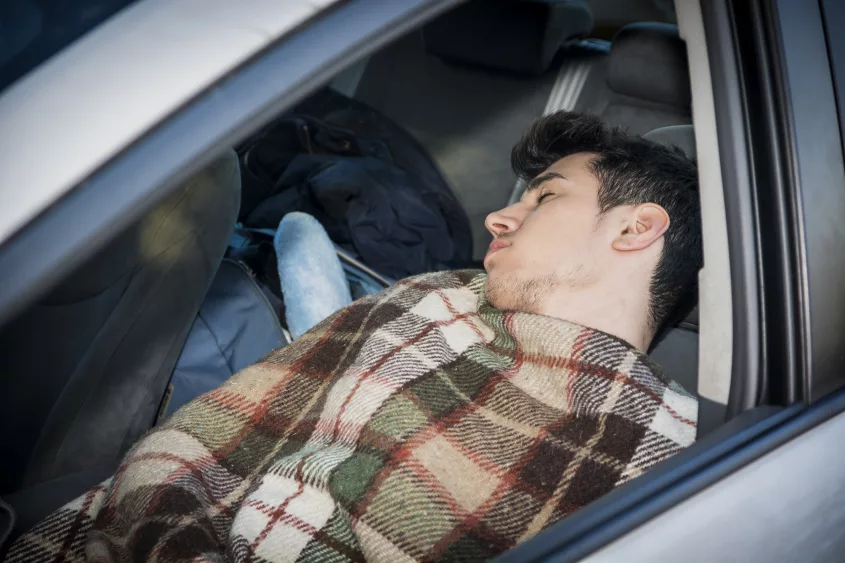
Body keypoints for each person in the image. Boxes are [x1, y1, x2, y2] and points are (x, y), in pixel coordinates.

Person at [6, 112, 702, 563]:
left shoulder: (670, 462)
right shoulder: (430, 297)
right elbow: (214, 436)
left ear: (634, 228)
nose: (497, 216)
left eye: (543, 196)